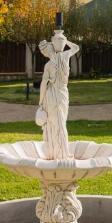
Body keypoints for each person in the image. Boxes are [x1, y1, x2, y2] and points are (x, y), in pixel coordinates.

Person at [35, 31, 79, 159]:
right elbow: (76, 47)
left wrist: (41, 101)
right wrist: (65, 40)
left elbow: (43, 84)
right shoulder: (65, 56)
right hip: (61, 93)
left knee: (57, 123)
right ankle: (62, 152)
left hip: (53, 95)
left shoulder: (48, 65)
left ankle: (58, 151)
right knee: (60, 122)